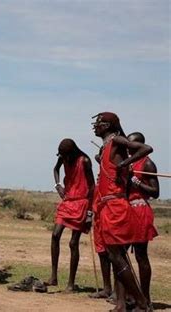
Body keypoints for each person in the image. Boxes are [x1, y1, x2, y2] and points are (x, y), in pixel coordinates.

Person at [92, 112, 152, 311]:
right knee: (115, 257)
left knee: (117, 257)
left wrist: (124, 164)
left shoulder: (116, 140)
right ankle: (124, 304)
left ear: (108, 125)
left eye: (99, 123)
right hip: (107, 206)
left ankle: (141, 302)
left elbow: (146, 148)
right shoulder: (108, 145)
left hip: (116, 206)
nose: (95, 126)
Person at [46, 139, 95, 292]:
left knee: (73, 243)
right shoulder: (63, 157)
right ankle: (53, 277)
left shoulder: (84, 161)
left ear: (72, 152)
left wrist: (89, 212)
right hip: (67, 201)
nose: (64, 158)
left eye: (66, 155)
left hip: (81, 203)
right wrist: (57, 185)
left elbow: (92, 186)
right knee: (55, 235)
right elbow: (55, 169)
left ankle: (71, 283)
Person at [127, 132, 159, 306]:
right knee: (119, 254)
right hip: (126, 211)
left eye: (131, 145)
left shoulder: (147, 163)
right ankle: (130, 295)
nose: (128, 148)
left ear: (139, 145)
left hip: (140, 211)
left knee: (140, 255)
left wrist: (137, 183)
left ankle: (145, 298)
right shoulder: (129, 162)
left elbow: (155, 192)